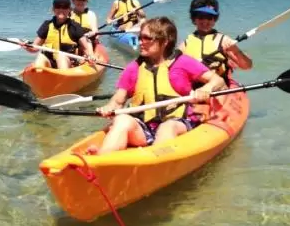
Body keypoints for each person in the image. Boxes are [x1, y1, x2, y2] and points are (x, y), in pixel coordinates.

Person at [89, 16, 226, 153]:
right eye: (140, 38)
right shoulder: (134, 68)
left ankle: (156, 161)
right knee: (122, 119)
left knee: (167, 127)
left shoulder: (183, 62)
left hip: (177, 122)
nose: (141, 42)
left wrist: (206, 89)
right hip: (144, 127)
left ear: (165, 41)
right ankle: (102, 158)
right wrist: (109, 107)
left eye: (147, 38)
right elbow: (118, 100)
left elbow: (218, 81)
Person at [179, 0, 253, 79]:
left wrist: (235, 50)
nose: (205, 20)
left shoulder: (223, 40)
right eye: (201, 16)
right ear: (194, 18)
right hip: (195, 89)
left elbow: (247, 66)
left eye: (210, 17)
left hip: (219, 87)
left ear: (215, 19)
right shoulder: (185, 44)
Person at [26, 0, 94, 69]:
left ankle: (63, 78)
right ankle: (38, 77)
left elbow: (86, 48)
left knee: (61, 56)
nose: (61, 10)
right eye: (58, 7)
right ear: (53, 9)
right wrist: (26, 47)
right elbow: (34, 48)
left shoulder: (75, 27)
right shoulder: (47, 25)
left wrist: (90, 56)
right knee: (40, 57)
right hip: (50, 61)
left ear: (69, 10)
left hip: (68, 62)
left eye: (64, 7)